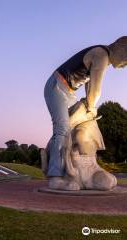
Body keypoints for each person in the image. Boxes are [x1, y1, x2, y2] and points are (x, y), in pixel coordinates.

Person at [44, 36, 127, 190]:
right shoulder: (101, 55)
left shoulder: (101, 55)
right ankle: (55, 177)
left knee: (81, 120)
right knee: (62, 129)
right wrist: (93, 108)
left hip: (68, 92)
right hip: (57, 86)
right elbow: (96, 89)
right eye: (126, 60)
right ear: (122, 48)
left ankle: (59, 156)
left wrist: (89, 107)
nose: (124, 66)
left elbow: (89, 87)